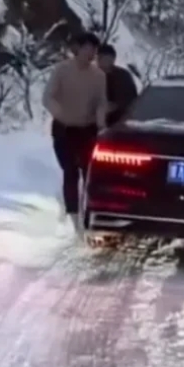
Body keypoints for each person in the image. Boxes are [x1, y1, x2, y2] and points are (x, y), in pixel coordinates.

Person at [42, 31, 108, 229]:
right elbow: (48, 97)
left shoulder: (98, 76)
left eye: (94, 51)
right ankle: (73, 216)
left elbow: (101, 102)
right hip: (64, 129)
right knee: (70, 171)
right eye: (88, 49)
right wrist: (60, 113)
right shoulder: (62, 70)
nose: (91, 54)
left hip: (87, 130)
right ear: (77, 49)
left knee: (90, 171)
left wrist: (101, 120)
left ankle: (89, 211)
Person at [97, 43, 139, 126]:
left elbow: (132, 99)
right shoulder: (91, 75)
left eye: (105, 58)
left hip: (119, 121)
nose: (102, 61)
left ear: (112, 59)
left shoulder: (123, 76)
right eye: (100, 58)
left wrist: (115, 106)